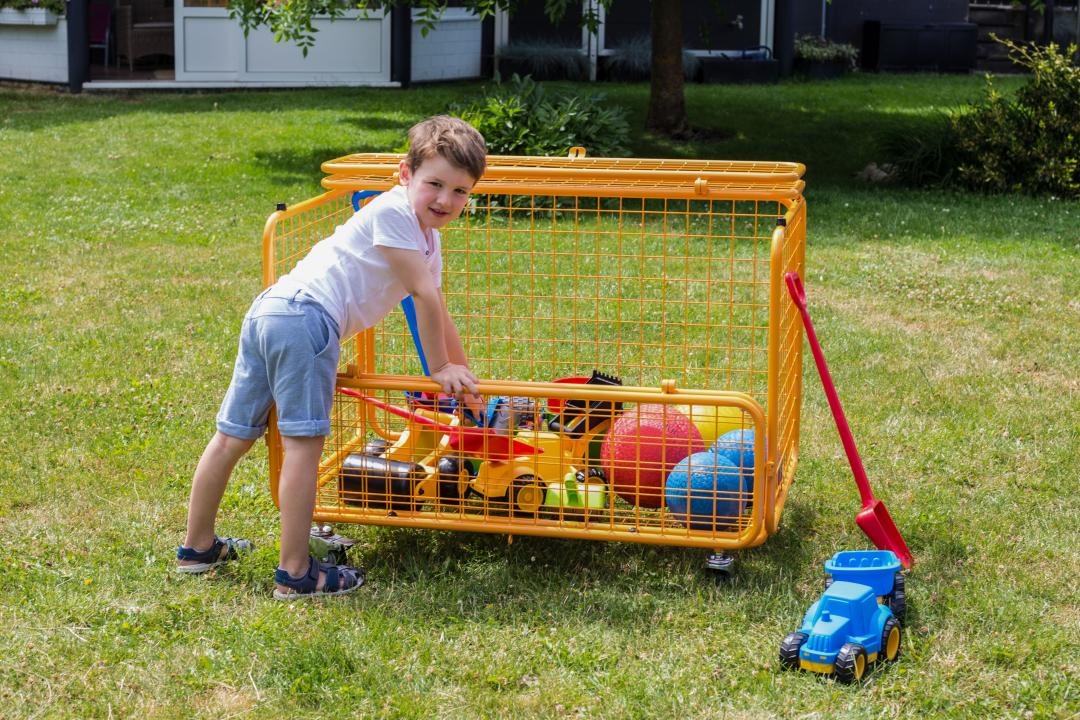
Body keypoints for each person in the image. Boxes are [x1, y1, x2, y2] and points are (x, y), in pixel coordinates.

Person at [176, 115, 486, 599]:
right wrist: (441, 369)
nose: (446, 200)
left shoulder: (428, 236)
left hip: (272, 311)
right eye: (435, 184)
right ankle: (296, 573)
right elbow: (422, 295)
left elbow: (438, 306)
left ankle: (197, 550)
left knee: (231, 437)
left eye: (461, 191)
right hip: (306, 320)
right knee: (302, 446)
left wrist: (464, 384)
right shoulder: (394, 214)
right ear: (405, 174)